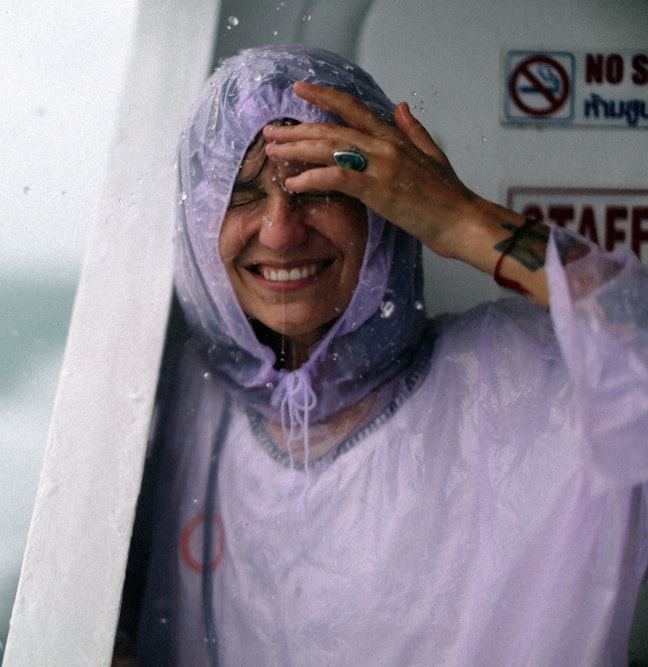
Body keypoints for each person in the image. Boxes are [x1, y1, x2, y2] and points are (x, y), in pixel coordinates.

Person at [115, 44, 648, 666]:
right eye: (241, 193)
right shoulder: (173, 400)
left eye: (322, 186)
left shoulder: (514, 386)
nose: (281, 231)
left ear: (387, 203)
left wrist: (463, 222)